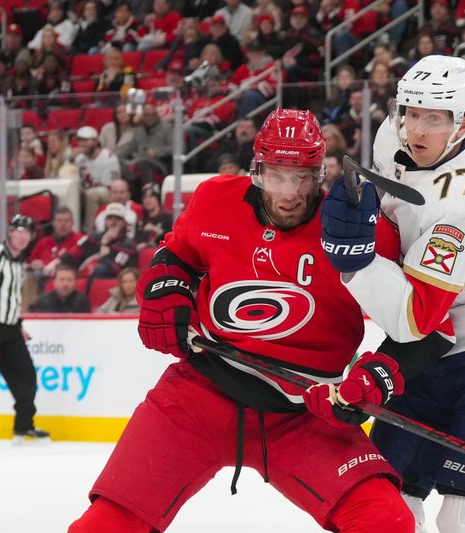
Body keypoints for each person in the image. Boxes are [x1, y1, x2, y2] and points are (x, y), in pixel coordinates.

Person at [68, 108, 414, 533]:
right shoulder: (216, 199)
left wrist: (379, 370)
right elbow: (175, 257)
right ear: (256, 170)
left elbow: (415, 321)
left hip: (306, 411)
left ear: (320, 173)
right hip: (199, 396)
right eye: (275, 176)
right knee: (104, 527)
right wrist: (164, 289)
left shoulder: (357, 228)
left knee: (387, 521)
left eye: (302, 177)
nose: (289, 193)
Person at [316, 56, 465, 532]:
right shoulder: (392, 134)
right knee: (386, 501)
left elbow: (414, 317)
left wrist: (355, 261)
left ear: (464, 121)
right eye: (411, 113)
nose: (417, 129)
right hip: (430, 357)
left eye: (435, 119)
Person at [0, 215, 50, 443]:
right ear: (10, 232)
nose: (23, 236)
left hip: (10, 329)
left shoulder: (19, 263)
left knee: (26, 377)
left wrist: (18, 325)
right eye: (19, 231)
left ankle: (23, 426)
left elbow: (13, 299)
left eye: (27, 233)